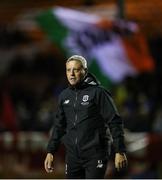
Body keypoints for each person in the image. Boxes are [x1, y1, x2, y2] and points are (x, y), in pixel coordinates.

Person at [44, 55, 128, 179]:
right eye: (68, 70)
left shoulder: (98, 93)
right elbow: (59, 126)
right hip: (72, 156)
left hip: (95, 154)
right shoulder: (64, 96)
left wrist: (120, 150)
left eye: (76, 70)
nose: (71, 74)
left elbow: (114, 121)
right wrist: (50, 151)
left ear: (85, 71)